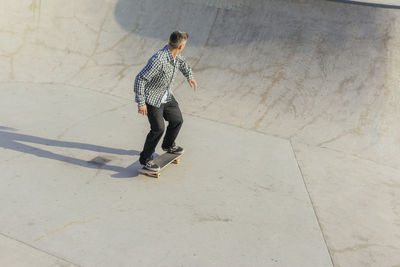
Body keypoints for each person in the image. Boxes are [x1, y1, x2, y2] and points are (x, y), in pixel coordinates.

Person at [134, 31, 198, 171]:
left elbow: (183, 64)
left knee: (177, 120)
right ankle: (146, 159)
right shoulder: (159, 60)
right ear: (180, 46)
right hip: (153, 99)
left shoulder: (176, 55)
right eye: (185, 45)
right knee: (158, 129)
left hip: (167, 96)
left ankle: (168, 145)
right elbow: (140, 78)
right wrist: (141, 102)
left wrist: (189, 76)